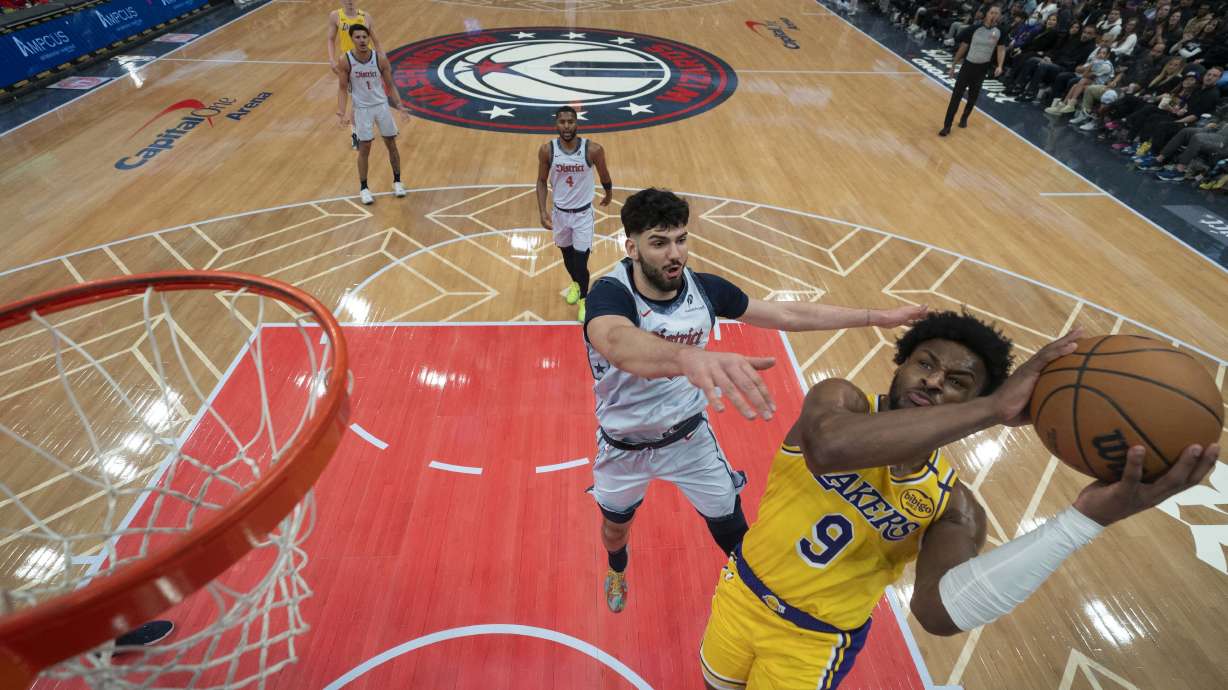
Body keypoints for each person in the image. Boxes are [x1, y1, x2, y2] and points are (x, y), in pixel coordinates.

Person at [698, 312, 1219, 690]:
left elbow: (939, 613)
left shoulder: (953, 506)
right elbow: (831, 450)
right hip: (740, 593)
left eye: (958, 383)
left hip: (813, 642)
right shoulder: (840, 401)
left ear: (970, 404)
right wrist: (994, 406)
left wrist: (1083, 520)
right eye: (925, 363)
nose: (933, 380)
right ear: (900, 364)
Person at [583, 188, 927, 614]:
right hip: (622, 448)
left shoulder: (705, 290)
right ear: (631, 247)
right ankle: (617, 568)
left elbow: (787, 315)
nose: (675, 253)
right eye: (659, 242)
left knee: (735, 531)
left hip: (688, 442)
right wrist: (687, 356)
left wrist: (875, 317)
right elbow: (616, 341)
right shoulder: (609, 293)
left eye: (681, 239)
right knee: (616, 531)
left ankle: (754, 602)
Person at [536, 106, 613, 323]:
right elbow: (541, 181)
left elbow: (605, 174)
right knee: (567, 258)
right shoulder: (547, 150)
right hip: (560, 214)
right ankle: (576, 283)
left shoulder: (593, 150)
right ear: (556, 124)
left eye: (570, 122)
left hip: (582, 216)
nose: (566, 126)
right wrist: (542, 211)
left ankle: (584, 299)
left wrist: (608, 193)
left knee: (580, 263)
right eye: (562, 122)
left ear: (576, 123)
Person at [336, 25, 408, 206]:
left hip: (381, 106)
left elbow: (390, 85)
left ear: (369, 38)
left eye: (364, 37)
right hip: (362, 109)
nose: (362, 40)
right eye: (358, 37)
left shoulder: (380, 59)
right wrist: (341, 112)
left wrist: (399, 105)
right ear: (352, 39)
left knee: (391, 143)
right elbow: (343, 88)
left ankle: (398, 181)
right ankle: (364, 188)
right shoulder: (345, 60)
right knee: (364, 147)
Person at [941, 4, 1009, 135]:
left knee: (973, 96)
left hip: (982, 68)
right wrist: (954, 65)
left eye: (997, 13)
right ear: (986, 14)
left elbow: (1001, 49)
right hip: (968, 66)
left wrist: (1000, 65)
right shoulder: (974, 29)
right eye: (992, 12)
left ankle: (964, 117)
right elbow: (963, 47)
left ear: (1000, 16)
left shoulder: (1001, 31)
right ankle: (947, 126)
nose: (994, 15)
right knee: (956, 96)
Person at [326, 1, 380, 151]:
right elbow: (330, 39)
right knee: (357, 102)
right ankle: (356, 134)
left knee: (375, 96)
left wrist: (381, 58)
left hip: (368, 62)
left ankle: (382, 125)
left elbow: (376, 40)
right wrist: (331, 60)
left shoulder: (365, 16)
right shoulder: (335, 16)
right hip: (349, 64)